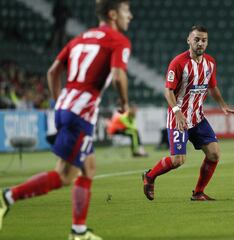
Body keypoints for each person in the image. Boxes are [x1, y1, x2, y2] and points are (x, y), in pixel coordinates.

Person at [0, 1, 133, 239]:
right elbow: (118, 76)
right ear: (113, 14)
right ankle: (7, 197)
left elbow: (52, 72)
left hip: (64, 106)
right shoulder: (117, 40)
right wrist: (124, 103)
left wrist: (57, 101)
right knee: (64, 175)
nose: (130, 16)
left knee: (88, 168)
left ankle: (78, 232)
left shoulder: (80, 38)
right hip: (80, 113)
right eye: (126, 11)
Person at [142, 25, 234, 201]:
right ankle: (150, 176)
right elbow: (168, 91)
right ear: (189, 40)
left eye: (204, 40)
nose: (200, 43)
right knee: (178, 160)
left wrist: (222, 105)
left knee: (214, 153)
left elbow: (212, 86)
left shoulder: (210, 63)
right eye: (196, 39)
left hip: (198, 118)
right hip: (178, 118)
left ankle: (199, 192)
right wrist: (178, 112)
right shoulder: (178, 63)